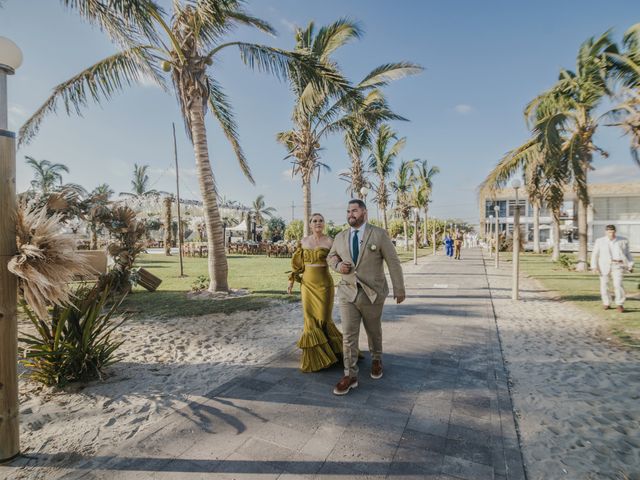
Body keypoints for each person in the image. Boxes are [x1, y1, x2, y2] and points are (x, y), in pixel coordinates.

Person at [327, 199, 405, 395]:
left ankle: (377, 359)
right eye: (348, 211)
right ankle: (350, 375)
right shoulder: (340, 236)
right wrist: (338, 266)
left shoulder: (378, 234)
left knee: (373, 331)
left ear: (364, 213)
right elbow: (331, 256)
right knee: (348, 335)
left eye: (354, 210)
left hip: (372, 293)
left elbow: (393, 261)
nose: (350, 214)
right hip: (347, 292)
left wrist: (399, 288)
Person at [287, 213, 343, 372]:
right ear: (310, 225)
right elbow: (297, 265)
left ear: (324, 224)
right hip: (307, 285)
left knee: (324, 318)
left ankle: (329, 354)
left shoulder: (330, 241)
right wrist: (291, 281)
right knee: (310, 320)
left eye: (320, 221)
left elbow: (338, 261)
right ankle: (315, 358)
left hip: (325, 285)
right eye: (314, 221)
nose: (318, 223)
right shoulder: (303, 242)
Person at [590, 225, 634, 313]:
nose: (611, 234)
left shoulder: (623, 240)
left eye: (613, 232)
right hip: (604, 266)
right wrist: (594, 266)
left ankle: (619, 304)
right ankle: (606, 303)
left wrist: (630, 264)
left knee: (618, 285)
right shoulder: (600, 241)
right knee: (604, 285)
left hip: (618, 265)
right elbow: (595, 254)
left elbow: (627, 254)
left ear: (615, 231)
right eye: (609, 232)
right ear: (606, 232)